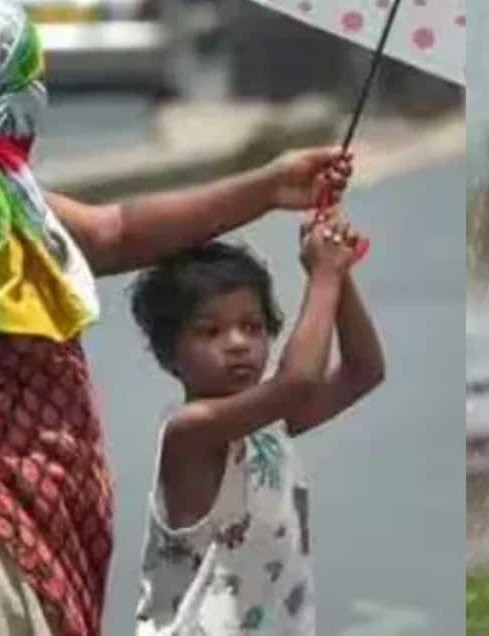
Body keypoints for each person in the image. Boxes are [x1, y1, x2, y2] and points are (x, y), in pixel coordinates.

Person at [0, 0, 353, 636]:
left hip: (35, 520)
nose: (35, 95)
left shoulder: (9, 199)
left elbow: (116, 232)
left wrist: (268, 187)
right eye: (24, 77)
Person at [127, 211, 383, 635]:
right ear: (168, 354)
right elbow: (298, 381)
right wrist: (323, 275)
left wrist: (339, 270)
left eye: (252, 327)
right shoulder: (189, 432)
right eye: (210, 332)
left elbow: (364, 370)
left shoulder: (267, 425)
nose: (238, 344)